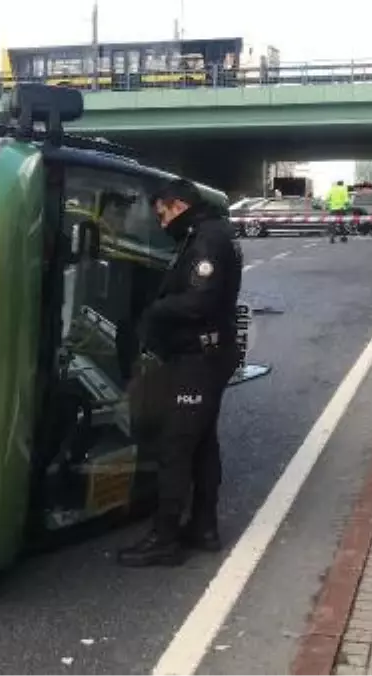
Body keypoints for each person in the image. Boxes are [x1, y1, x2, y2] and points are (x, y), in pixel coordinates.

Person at [118, 180, 243, 568]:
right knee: (202, 444)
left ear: (177, 205)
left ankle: (165, 537)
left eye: (161, 213)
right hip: (208, 355)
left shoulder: (207, 239)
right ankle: (203, 528)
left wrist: (155, 311)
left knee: (175, 446)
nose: (161, 221)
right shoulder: (209, 232)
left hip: (199, 360)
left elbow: (199, 300)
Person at [325, 179, 351, 244]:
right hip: (342, 209)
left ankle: (332, 237)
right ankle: (343, 237)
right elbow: (346, 200)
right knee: (342, 223)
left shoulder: (332, 189)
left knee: (332, 224)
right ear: (342, 184)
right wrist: (347, 206)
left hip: (333, 209)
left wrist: (329, 205)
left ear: (337, 184)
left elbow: (327, 198)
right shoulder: (344, 189)